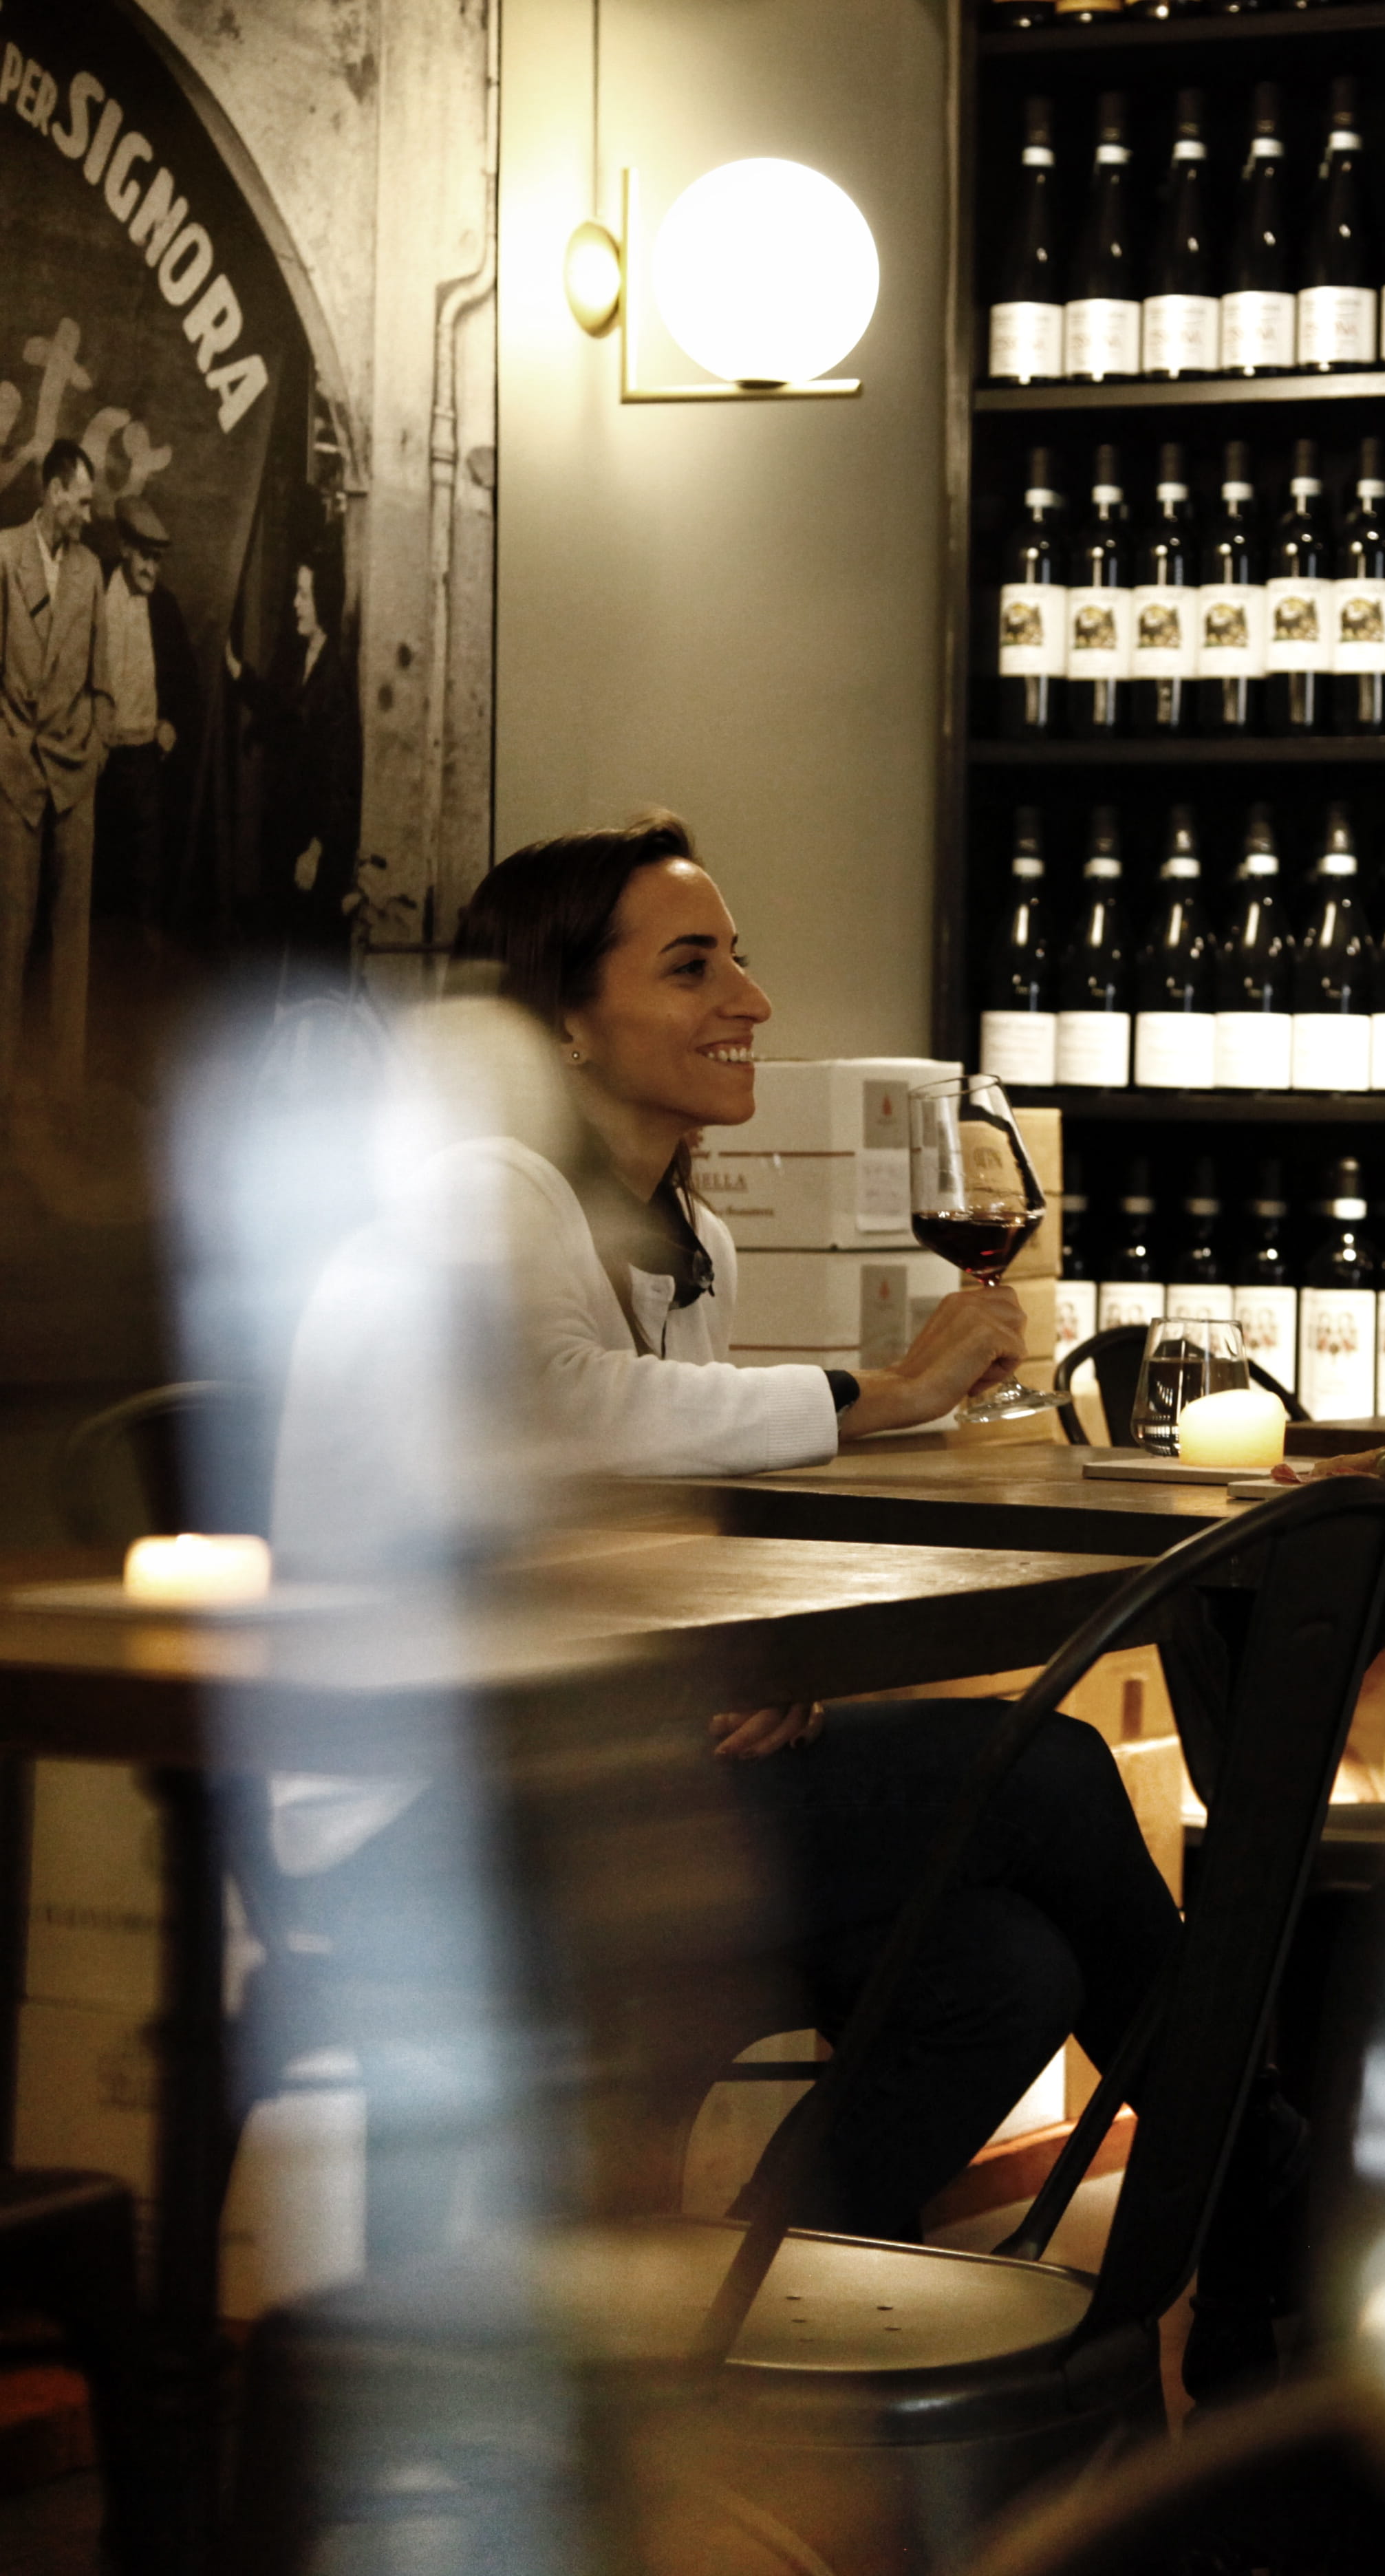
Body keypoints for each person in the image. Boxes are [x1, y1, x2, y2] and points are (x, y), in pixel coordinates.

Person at [266, 813, 1185, 2276]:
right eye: (694, 969)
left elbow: (639, 1518)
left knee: (999, 1972)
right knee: (1052, 1770)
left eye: (740, 965)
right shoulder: (479, 1191)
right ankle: (1252, 2195)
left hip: (606, 1765)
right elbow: (565, 1410)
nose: (750, 1005)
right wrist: (875, 1398)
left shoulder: (690, 1242)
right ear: (560, 1023)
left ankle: (767, 2291)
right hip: (436, 1807)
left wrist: (757, 1663)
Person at [0, 438, 109, 1095]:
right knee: (8, 944)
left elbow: (103, 684)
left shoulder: (91, 571)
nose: (89, 516)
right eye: (83, 501)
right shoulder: (3, 555)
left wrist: (94, 751)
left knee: (72, 951)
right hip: (14, 779)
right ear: (53, 492)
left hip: (76, 783)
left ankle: (64, 1097)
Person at [228, 549, 362, 961]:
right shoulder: (297, 660)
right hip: (284, 837)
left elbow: (341, 777)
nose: (296, 604)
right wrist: (237, 670)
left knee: (309, 960)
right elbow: (278, 709)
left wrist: (318, 849)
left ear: (323, 600)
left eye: (304, 595)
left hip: (311, 850)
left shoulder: (334, 680)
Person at [92, 497, 198, 943]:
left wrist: (170, 720)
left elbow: (188, 683)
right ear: (124, 548)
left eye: (158, 560)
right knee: (97, 882)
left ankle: (142, 991)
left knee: (146, 885)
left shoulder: (165, 608)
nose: (153, 570)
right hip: (96, 763)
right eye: (145, 558)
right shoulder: (94, 591)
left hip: (144, 768)